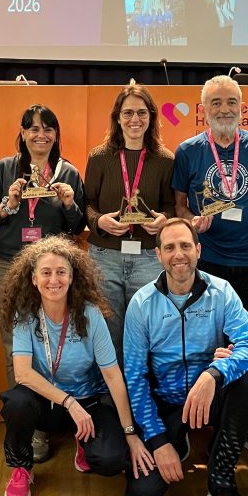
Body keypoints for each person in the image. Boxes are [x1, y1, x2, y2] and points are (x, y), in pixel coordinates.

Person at [123, 219, 248, 496]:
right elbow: (134, 378)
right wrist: (159, 441)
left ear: (198, 250)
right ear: (158, 255)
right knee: (143, 493)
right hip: (167, 405)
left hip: (208, 396)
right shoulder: (141, 304)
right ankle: (178, 441)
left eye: (186, 246)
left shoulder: (221, 292)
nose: (179, 254)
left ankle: (221, 480)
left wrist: (214, 373)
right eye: (170, 247)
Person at [0, 236, 154, 496]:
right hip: (49, 404)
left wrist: (130, 432)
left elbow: (113, 375)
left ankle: (84, 443)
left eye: (61, 272)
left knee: (110, 460)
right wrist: (69, 402)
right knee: (17, 402)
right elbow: (22, 374)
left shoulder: (90, 314)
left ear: (72, 278)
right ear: (33, 279)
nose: (54, 280)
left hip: (88, 403)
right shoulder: (25, 314)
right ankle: (22, 468)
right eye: (46, 273)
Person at [0, 104, 84, 463]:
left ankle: (52, 420)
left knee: (51, 345)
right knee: (15, 346)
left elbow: (77, 226)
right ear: (22, 133)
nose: (41, 135)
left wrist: (68, 205)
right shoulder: (4, 169)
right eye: (33, 128)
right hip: (8, 265)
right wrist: (7, 204)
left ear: (56, 134)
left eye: (48, 128)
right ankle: (27, 427)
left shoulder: (68, 172)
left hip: (51, 272)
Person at [173, 75, 248, 324]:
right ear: (203, 110)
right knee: (210, 332)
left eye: (231, 102)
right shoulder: (187, 151)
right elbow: (179, 205)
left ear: (242, 107)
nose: (224, 109)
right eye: (216, 103)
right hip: (208, 260)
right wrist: (192, 220)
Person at [84, 82, 174, 362]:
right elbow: (87, 204)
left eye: (141, 112)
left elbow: (170, 205)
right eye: (128, 113)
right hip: (105, 257)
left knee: (145, 333)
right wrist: (100, 221)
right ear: (117, 117)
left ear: (151, 117)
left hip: (148, 258)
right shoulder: (99, 157)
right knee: (107, 334)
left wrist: (164, 220)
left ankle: (139, 387)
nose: (135, 119)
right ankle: (110, 390)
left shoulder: (165, 159)